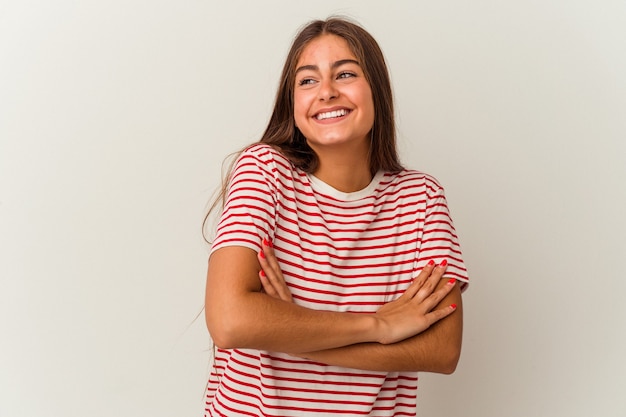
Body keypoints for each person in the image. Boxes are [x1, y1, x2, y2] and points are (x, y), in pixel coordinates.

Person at [203, 17, 469, 416]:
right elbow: (229, 320)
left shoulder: (421, 198)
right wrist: (379, 325)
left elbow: (441, 350)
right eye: (307, 81)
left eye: (344, 74)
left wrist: (292, 329)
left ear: (376, 90)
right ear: (291, 104)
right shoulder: (262, 170)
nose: (326, 92)